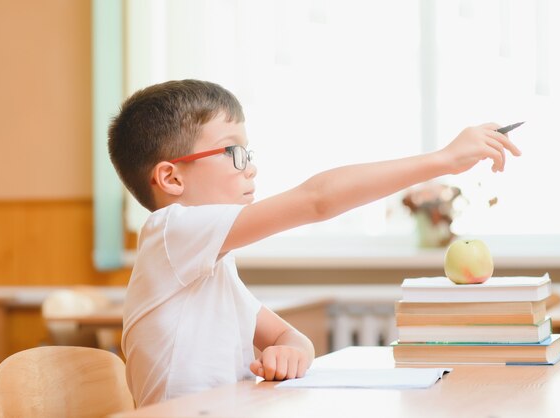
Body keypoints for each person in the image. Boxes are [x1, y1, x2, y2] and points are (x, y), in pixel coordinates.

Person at [108, 79, 521, 407]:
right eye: (234, 152)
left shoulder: (209, 270)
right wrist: (444, 159)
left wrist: (289, 350)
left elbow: (290, 337)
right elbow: (317, 200)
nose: (250, 169)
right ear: (171, 178)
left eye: (249, 153)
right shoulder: (170, 231)